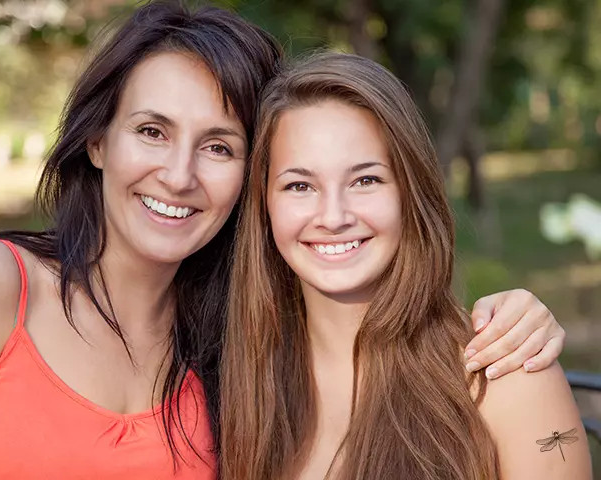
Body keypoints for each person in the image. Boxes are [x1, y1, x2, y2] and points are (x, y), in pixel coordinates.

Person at [0, 2, 567, 478]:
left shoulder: (227, 353)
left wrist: (518, 316)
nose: (178, 175)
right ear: (96, 140)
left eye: (218, 145)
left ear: (247, 179)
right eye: (151, 131)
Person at [220, 53, 592, 480]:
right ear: (263, 206)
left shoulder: (510, 376)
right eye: (299, 185)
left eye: (366, 180)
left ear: (410, 193)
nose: (334, 216)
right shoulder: (234, 382)